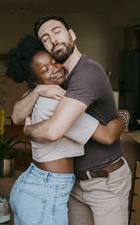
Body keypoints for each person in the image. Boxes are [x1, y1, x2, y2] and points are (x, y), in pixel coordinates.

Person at [11, 16, 132, 225]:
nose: (53, 40)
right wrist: (38, 90)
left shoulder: (86, 74)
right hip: (73, 183)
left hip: (104, 182)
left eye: (57, 31)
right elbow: (16, 115)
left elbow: (55, 131)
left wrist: (124, 116)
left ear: (72, 34)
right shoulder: (56, 80)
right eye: (45, 38)